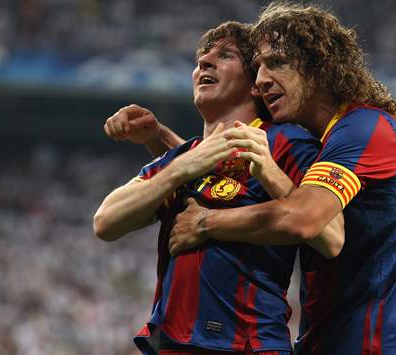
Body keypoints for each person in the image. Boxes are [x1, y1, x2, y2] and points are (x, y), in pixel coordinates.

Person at [168, 3, 396, 355]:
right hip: (327, 342)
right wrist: (160, 138)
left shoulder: (366, 130)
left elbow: (302, 218)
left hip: (376, 345)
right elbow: (235, 182)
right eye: (258, 67)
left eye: (276, 62)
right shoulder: (325, 142)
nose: (260, 79)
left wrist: (205, 223)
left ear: (319, 65)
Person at [93, 21, 343, 355]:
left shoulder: (284, 142)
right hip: (173, 343)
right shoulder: (183, 157)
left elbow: (330, 233)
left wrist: (209, 220)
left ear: (255, 84)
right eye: (200, 60)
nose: (204, 65)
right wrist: (181, 165)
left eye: (224, 56)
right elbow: (106, 222)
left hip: (248, 343)